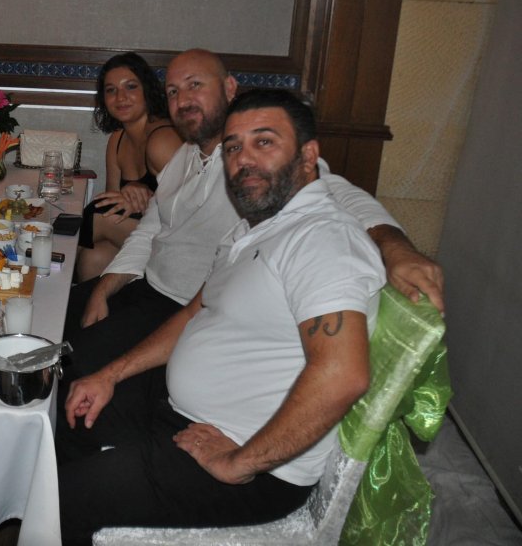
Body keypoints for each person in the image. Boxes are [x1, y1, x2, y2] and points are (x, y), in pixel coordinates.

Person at [57, 88, 387, 544]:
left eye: (264, 142)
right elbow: (196, 311)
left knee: (65, 496)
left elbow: (343, 374)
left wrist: (240, 463)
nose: (243, 159)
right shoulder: (252, 228)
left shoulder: (323, 241)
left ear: (309, 156)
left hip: (250, 458)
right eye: (233, 147)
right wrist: (110, 375)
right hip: (179, 412)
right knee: (66, 412)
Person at [61, 49, 444, 399]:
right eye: (174, 92)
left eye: (195, 85)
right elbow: (151, 228)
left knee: (68, 365)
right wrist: (104, 288)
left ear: (229, 88)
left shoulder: (250, 164)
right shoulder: (184, 156)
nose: (183, 100)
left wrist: (396, 249)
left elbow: (340, 193)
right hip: (146, 288)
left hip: (182, 310)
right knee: (55, 316)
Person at [76, 52, 182, 282]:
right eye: (111, 90)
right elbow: (112, 202)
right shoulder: (117, 138)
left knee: (94, 216)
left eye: (131, 87)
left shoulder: (162, 139)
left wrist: (149, 197)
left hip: (176, 244)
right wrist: (128, 198)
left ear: (147, 90)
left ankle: (46, 264)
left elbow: (188, 211)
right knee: (94, 257)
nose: (120, 97)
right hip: (138, 231)